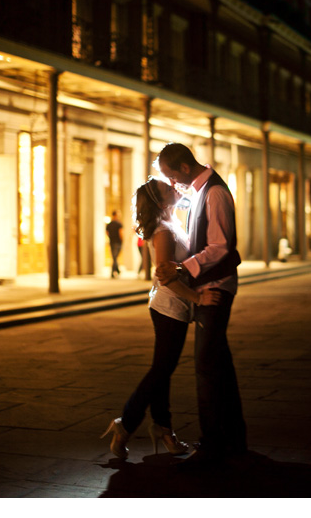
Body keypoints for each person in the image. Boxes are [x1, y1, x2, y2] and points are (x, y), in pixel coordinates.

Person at [100, 178, 221, 460]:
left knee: (162, 370)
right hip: (169, 307)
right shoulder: (164, 232)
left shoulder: (173, 224)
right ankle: (126, 423)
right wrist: (198, 299)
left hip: (171, 307)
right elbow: (164, 277)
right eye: (168, 189)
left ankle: (163, 428)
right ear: (159, 201)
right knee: (161, 371)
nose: (175, 190)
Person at [154, 143, 247, 468]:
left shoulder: (215, 193)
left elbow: (220, 246)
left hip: (216, 287)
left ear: (183, 167)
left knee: (206, 365)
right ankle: (234, 438)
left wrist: (183, 268)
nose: (172, 183)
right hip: (209, 285)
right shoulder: (201, 191)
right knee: (219, 363)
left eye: (170, 175)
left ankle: (212, 443)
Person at [106, 211, 123, 278]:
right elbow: (121, 233)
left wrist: (110, 238)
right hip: (118, 242)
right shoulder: (119, 224)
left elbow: (107, 233)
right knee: (115, 257)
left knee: (114, 257)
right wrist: (122, 240)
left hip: (112, 242)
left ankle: (116, 270)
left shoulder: (109, 224)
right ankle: (116, 271)